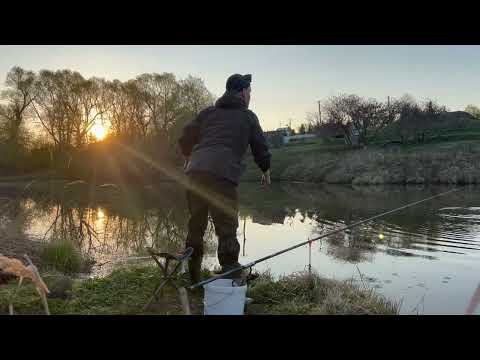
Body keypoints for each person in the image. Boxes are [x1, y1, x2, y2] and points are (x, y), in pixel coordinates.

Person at [178, 73, 271, 284]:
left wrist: (187, 159)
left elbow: (185, 137)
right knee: (227, 229)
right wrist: (265, 170)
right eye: (249, 92)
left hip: (195, 172)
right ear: (242, 93)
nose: (250, 97)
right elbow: (260, 146)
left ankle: (193, 278)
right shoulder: (248, 117)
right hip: (223, 174)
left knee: (196, 227)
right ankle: (230, 282)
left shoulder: (208, 113)